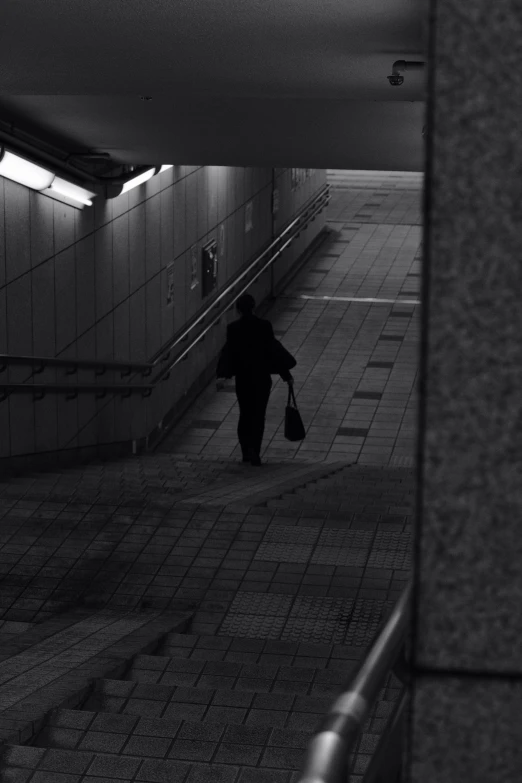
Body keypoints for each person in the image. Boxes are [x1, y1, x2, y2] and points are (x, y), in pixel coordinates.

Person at [216, 293, 294, 466]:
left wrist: (222, 376)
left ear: (238, 310)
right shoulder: (264, 326)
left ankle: (245, 451)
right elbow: (272, 351)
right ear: (254, 306)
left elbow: (229, 353)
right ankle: (255, 451)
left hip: (243, 379)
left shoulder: (233, 328)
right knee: (259, 415)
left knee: (245, 414)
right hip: (261, 379)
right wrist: (286, 375)